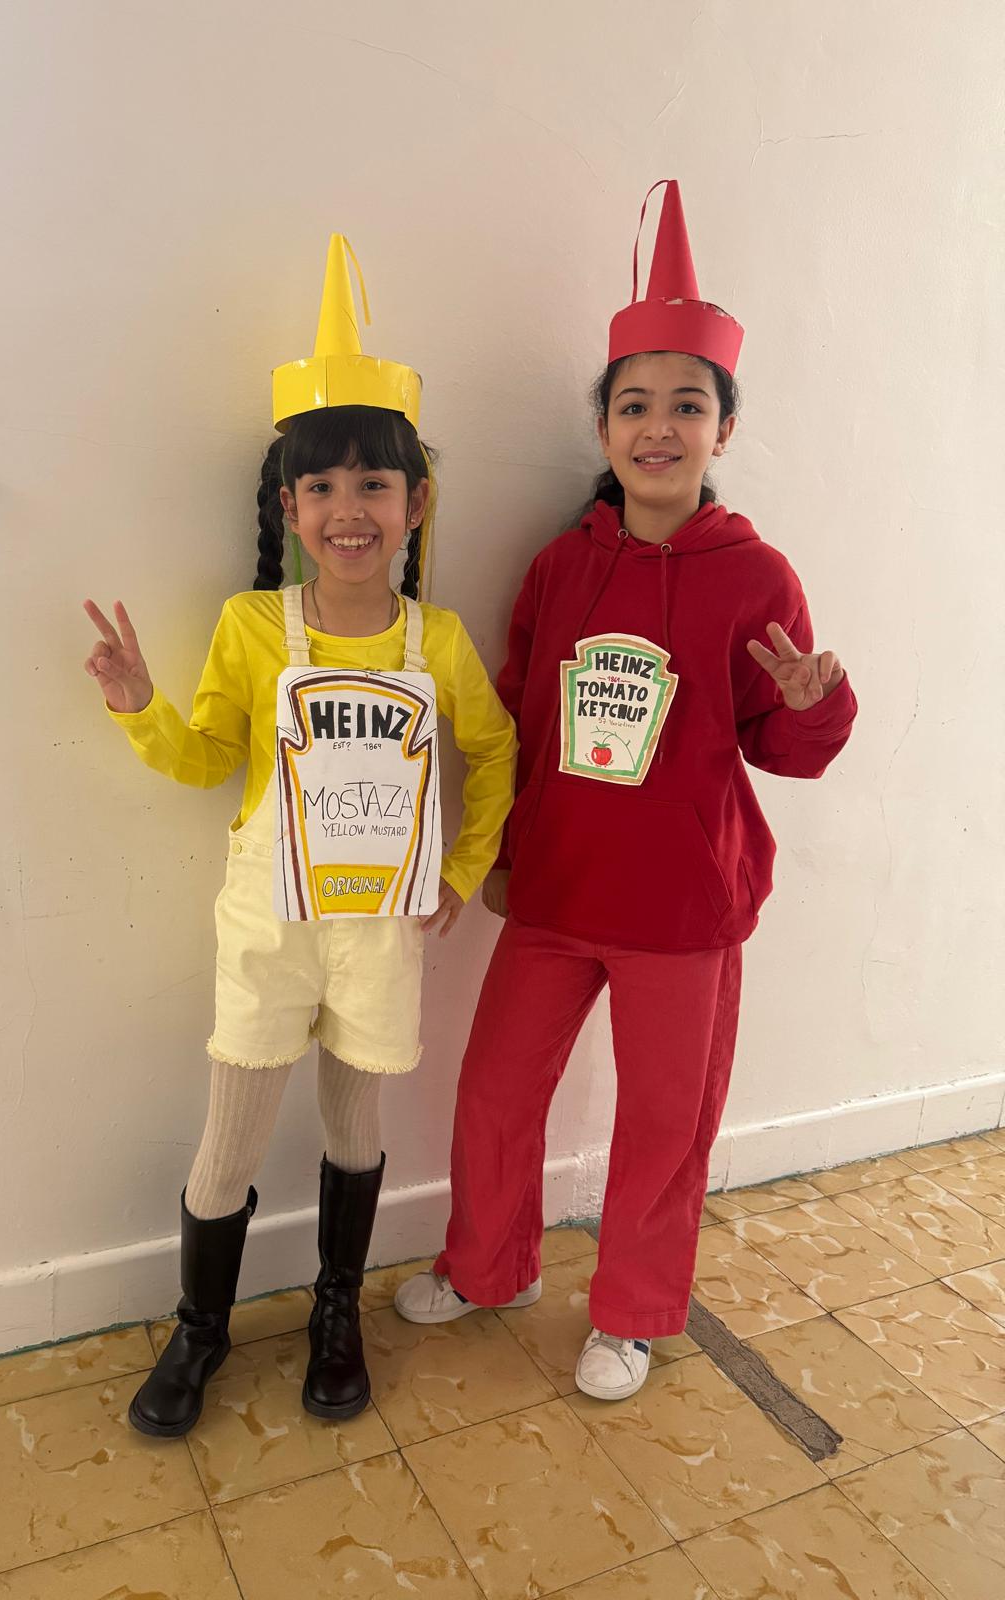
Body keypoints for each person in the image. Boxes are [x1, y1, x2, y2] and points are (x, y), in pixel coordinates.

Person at [395, 181, 857, 1402]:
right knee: (496, 1091)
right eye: (635, 405)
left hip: (684, 908)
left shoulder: (758, 575)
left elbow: (788, 750)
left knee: (665, 1121)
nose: (659, 427)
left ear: (724, 429)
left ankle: (636, 1311)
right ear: (603, 427)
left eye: (687, 405)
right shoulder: (561, 565)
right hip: (555, 890)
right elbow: (518, 724)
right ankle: (487, 1265)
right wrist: (494, 846)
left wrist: (811, 701)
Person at [83, 235, 516, 1434]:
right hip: (269, 921)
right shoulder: (251, 625)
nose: (347, 508)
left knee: (354, 1127)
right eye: (320, 486)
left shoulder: (438, 642)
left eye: (374, 484)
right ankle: (200, 1327)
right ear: (288, 507)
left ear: (415, 503)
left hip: (378, 925)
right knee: (229, 1137)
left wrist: (462, 868)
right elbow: (208, 759)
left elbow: (497, 751)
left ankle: (337, 1313)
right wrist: (140, 707)